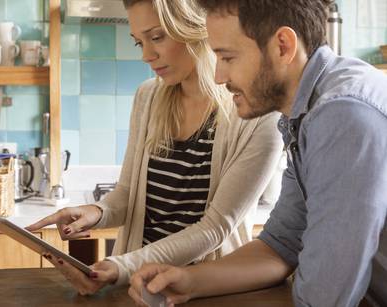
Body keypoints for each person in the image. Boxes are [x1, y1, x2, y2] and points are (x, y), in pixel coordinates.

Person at [128, 1, 387, 306]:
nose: (219, 76)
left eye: (227, 57)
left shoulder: (343, 114)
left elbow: (323, 298)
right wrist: (189, 280)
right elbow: (280, 243)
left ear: (282, 46)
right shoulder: (304, 113)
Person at [26, 0, 283, 295]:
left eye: (157, 37)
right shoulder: (148, 97)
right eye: (139, 43)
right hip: (138, 288)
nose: (147, 55)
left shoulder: (258, 116)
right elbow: (126, 195)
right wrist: (95, 212)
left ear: (196, 27)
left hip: (206, 292)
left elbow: (215, 229)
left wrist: (121, 266)